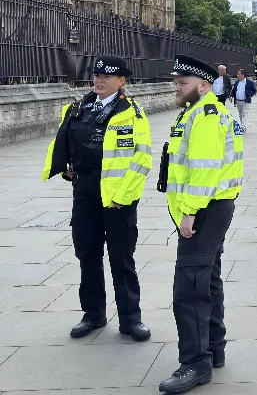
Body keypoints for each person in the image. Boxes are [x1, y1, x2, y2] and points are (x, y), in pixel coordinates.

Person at [42, 55, 152, 342]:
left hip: (117, 196)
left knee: (121, 258)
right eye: (96, 75)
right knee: (87, 254)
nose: (98, 80)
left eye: (106, 77)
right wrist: (66, 167)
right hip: (86, 190)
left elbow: (141, 159)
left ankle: (131, 319)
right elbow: (64, 140)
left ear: (121, 81)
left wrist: (123, 196)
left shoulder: (132, 112)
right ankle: (93, 314)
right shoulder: (80, 107)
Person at [158, 55, 244, 394]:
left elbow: (204, 168)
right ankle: (214, 348)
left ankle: (195, 363)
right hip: (213, 208)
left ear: (203, 85)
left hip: (204, 210)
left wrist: (189, 212)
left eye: (183, 83)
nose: (177, 87)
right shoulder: (200, 111)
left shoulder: (205, 115)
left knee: (189, 289)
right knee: (207, 279)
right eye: (177, 82)